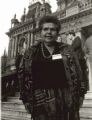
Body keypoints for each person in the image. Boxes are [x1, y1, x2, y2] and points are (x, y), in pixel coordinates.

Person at [18, 15, 87, 120]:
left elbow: (79, 70)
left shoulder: (67, 50)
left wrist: (81, 94)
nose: (49, 32)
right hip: (40, 101)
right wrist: (25, 100)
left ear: (57, 32)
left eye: (52, 29)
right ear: (40, 32)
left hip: (66, 99)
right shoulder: (31, 52)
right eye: (45, 29)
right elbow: (22, 75)